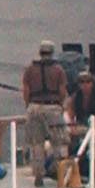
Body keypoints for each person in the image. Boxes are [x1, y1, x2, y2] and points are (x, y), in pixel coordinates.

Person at [21, 43, 71, 178]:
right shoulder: (58, 70)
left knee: (37, 143)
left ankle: (38, 174)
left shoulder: (30, 70)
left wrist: (28, 105)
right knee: (58, 142)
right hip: (53, 107)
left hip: (34, 107)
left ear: (40, 52)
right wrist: (60, 105)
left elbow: (26, 90)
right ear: (52, 52)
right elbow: (62, 91)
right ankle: (58, 172)